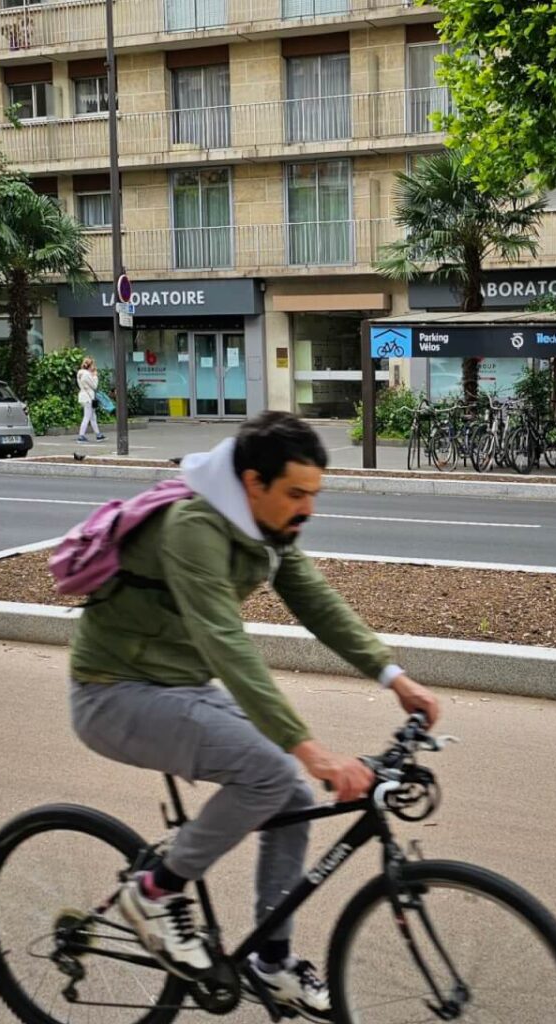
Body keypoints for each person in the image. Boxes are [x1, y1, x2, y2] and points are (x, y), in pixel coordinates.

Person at [68, 412, 440, 1016]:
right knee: (272, 771)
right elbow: (226, 642)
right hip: (114, 692)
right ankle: (154, 893)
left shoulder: (268, 529)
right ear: (251, 483)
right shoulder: (194, 526)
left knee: (289, 795)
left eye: (314, 495)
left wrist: (392, 676)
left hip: (177, 685)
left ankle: (271, 962)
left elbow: (315, 599)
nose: (307, 509)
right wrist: (309, 747)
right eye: (296, 494)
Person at [75, 358, 102, 443]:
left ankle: (98, 434)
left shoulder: (80, 373)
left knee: (92, 416)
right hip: (88, 397)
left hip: (83, 396)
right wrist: (95, 376)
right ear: (90, 365)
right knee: (87, 416)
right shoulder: (87, 374)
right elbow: (94, 386)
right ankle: (81, 435)